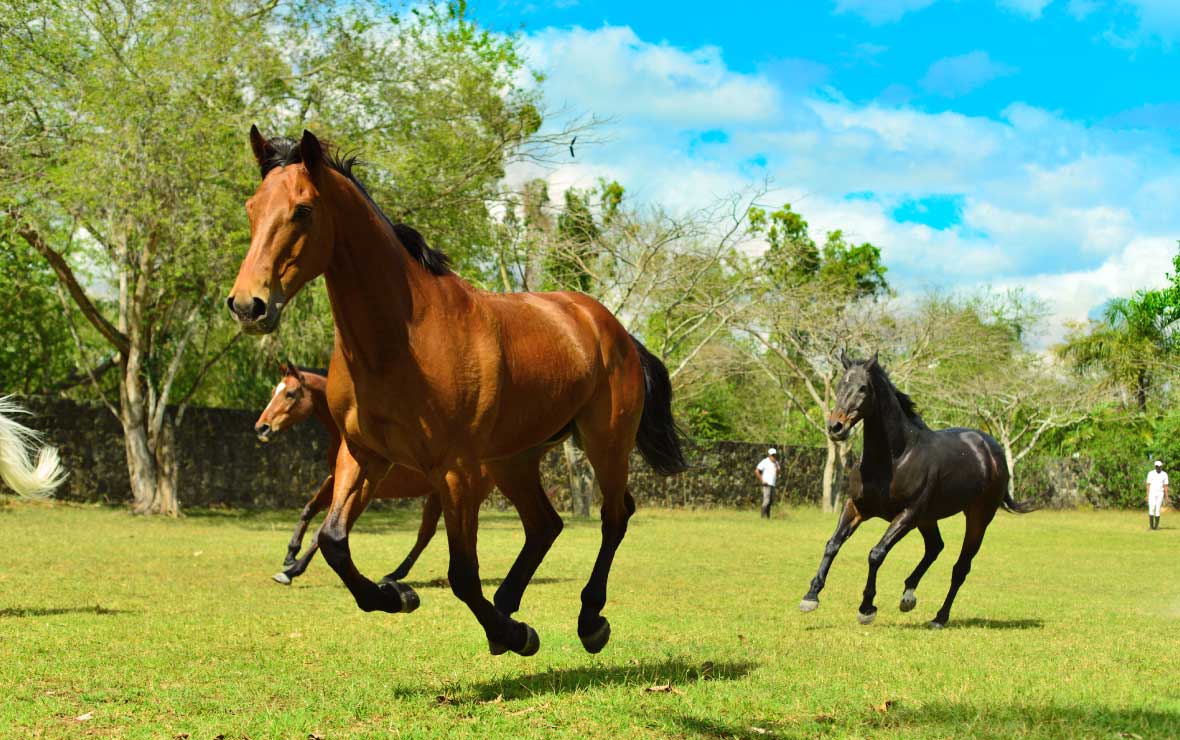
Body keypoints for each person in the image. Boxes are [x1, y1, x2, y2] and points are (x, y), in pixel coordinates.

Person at [755, 448, 781, 519]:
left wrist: (777, 469)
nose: (774, 456)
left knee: (770, 501)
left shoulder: (776, 463)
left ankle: (767, 517)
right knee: (766, 501)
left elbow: (778, 473)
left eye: (775, 455)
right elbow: (757, 471)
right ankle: (762, 516)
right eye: (772, 455)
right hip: (766, 484)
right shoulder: (765, 462)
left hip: (772, 484)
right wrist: (762, 480)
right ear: (769, 455)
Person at [1146, 460, 1169, 531]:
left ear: (1161, 466)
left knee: (1158, 509)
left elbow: (1165, 486)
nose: (1158, 468)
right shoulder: (1150, 473)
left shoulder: (1164, 474)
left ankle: (1156, 527)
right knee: (1151, 508)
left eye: (1159, 466)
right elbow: (1148, 485)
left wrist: (1166, 496)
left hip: (1160, 493)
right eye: (1157, 466)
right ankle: (1151, 526)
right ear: (1155, 466)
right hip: (1152, 493)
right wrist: (1147, 495)